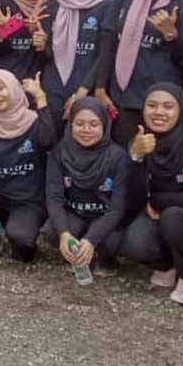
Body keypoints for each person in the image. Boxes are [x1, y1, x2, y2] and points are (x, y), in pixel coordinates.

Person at [120, 84, 183, 305]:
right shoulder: (141, 138)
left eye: (168, 106)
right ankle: (167, 264)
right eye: (152, 105)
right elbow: (131, 195)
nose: (159, 113)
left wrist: (155, 199)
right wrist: (135, 156)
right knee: (134, 243)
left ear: (181, 109)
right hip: (155, 214)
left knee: (174, 216)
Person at [95, 0, 183, 147]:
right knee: (128, 158)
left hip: (161, 104)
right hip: (123, 99)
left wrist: (171, 34)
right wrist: (100, 88)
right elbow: (109, 44)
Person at [0, 70, 56, 263]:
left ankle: (15, 233)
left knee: (20, 240)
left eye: (1, 88)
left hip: (29, 199)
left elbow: (48, 141)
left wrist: (40, 98)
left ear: (14, 89)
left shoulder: (34, 121)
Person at [45, 98, 129, 276]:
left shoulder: (118, 156)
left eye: (93, 124)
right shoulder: (60, 151)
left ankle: (105, 258)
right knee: (52, 231)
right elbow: (54, 197)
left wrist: (91, 240)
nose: (86, 130)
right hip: (76, 213)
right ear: (71, 125)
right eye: (80, 123)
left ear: (104, 126)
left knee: (112, 241)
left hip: (104, 215)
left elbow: (117, 208)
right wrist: (64, 234)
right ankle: (77, 253)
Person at [43, 0, 111, 123]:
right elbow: (48, 54)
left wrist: (82, 91)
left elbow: (106, 54)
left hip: (88, 93)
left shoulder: (107, 5)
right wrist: (41, 44)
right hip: (53, 91)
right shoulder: (52, 6)